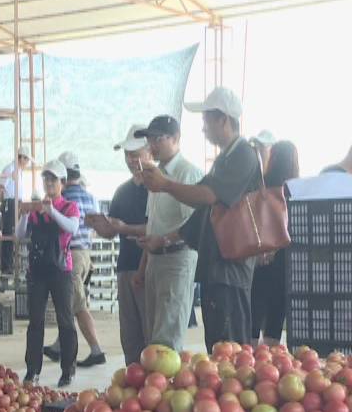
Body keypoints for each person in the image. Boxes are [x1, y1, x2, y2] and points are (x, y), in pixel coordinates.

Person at [141, 87, 261, 352]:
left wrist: (166, 185)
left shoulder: (243, 154)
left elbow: (207, 196)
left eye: (207, 120)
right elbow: (203, 213)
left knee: (232, 352)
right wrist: (167, 237)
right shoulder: (225, 158)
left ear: (223, 120)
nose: (203, 128)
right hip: (217, 267)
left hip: (231, 267)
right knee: (218, 348)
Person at [132, 115, 203, 352]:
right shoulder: (154, 174)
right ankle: (156, 386)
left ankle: (166, 387)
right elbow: (153, 222)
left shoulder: (187, 173)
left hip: (177, 259)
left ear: (176, 138)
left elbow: (195, 223)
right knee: (154, 334)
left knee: (167, 337)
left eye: (158, 138)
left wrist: (164, 239)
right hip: (155, 258)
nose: (152, 145)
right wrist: (142, 267)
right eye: (150, 139)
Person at [88, 124, 150, 365]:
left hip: (149, 268)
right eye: (127, 154)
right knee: (130, 336)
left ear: (150, 151)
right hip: (125, 267)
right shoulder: (122, 191)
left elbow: (155, 229)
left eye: (135, 154)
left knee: (151, 335)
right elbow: (111, 232)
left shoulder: (158, 188)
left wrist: (122, 228)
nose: (131, 160)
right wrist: (99, 226)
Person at [17, 159, 80, 387]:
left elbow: (72, 227)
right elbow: (21, 233)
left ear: (62, 182)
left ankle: (68, 369)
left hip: (62, 270)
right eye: (46, 179)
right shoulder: (36, 210)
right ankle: (32, 369)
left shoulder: (69, 207)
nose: (49, 183)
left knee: (65, 320)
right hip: (38, 270)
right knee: (35, 321)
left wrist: (51, 210)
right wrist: (25, 212)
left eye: (53, 179)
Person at [43, 151, 105, 367]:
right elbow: (96, 229)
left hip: (71, 254)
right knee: (69, 303)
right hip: (87, 253)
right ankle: (59, 346)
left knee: (78, 304)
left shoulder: (65, 199)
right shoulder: (91, 198)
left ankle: (96, 349)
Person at [251, 140, 299, 345]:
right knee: (277, 307)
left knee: (255, 302)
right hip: (283, 258)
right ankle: (271, 349)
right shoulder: (296, 190)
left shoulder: (260, 187)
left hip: (259, 254)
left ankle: (250, 348)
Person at [0, 146, 32, 274]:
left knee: (14, 233)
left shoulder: (18, 170)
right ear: (21, 158)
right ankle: (7, 266)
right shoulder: (10, 169)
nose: (27, 162)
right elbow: (0, 188)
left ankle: (11, 264)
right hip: (11, 202)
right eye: (26, 159)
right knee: (9, 233)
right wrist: (5, 203)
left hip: (16, 202)